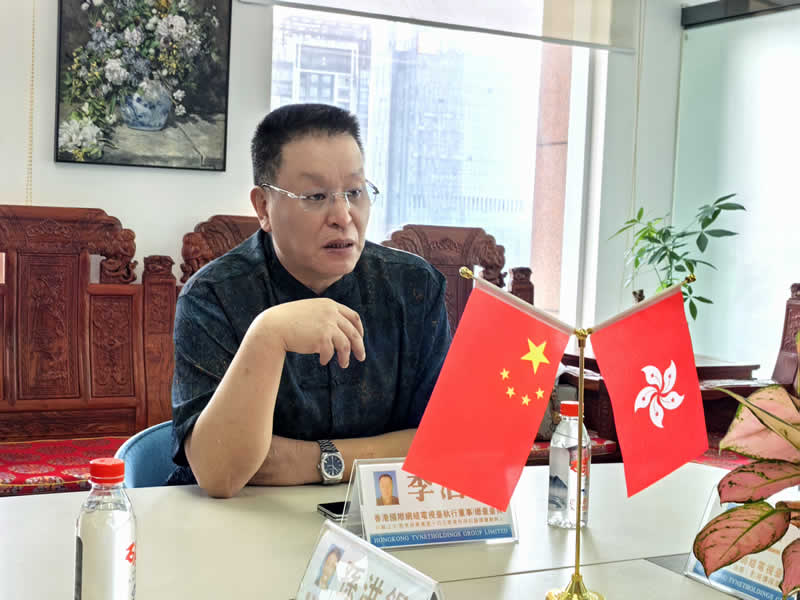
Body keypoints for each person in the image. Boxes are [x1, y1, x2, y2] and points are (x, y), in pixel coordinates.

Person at [169, 103, 452, 497]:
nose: (343, 216)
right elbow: (220, 474)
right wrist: (268, 335)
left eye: (354, 192)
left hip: (375, 515)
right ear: (264, 207)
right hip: (241, 520)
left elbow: (443, 444)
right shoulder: (213, 296)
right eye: (316, 196)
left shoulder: (414, 287)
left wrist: (306, 460)